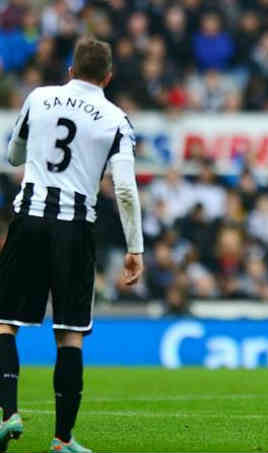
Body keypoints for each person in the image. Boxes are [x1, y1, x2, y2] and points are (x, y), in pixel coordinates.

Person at [0, 38, 144, 452]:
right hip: (76, 229)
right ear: (108, 77)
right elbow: (126, 190)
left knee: (5, 321)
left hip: (28, 220)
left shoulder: (40, 98)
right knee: (70, 335)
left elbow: (13, 154)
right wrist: (135, 248)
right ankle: (62, 440)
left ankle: (7, 412)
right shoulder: (116, 118)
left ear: (70, 70)